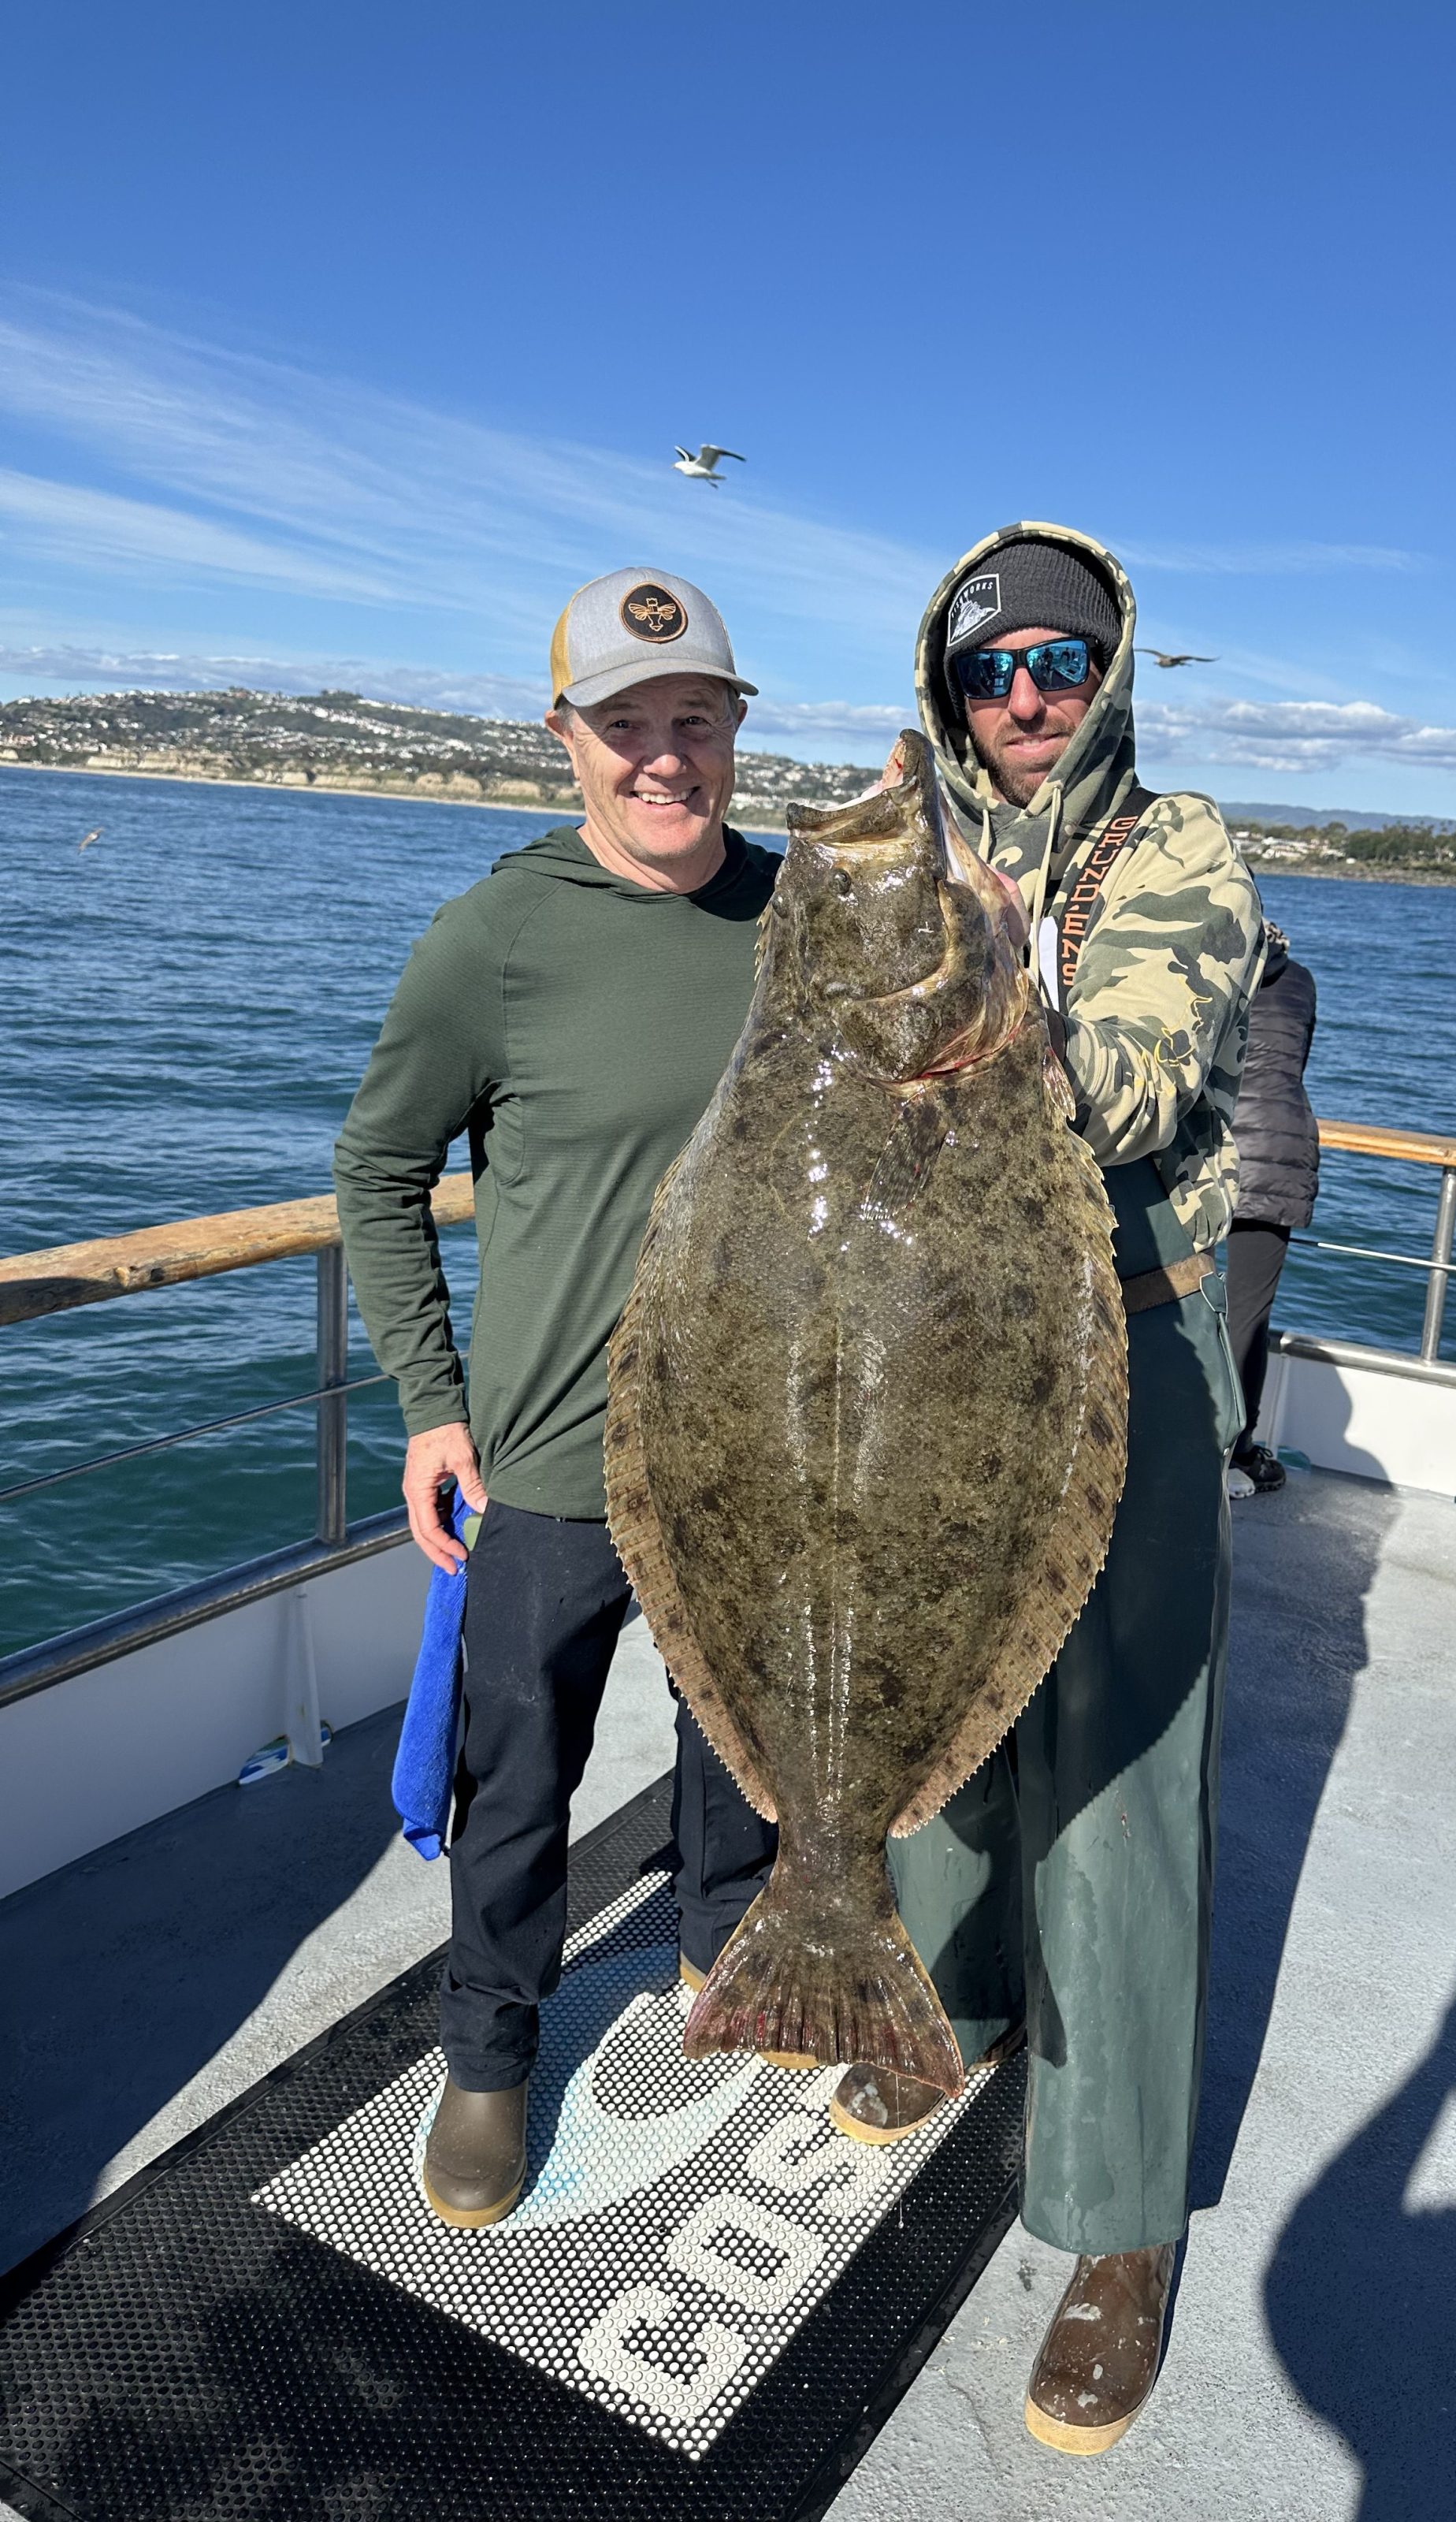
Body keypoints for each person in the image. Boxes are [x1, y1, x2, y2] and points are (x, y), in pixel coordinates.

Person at [840, 526, 1259, 2451]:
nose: (1024, 700)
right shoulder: (878, 840)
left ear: (1108, 681)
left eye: (1060, 667)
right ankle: (953, 1994)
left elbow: (1144, 1083)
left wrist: (962, 1018)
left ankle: (1109, 2226)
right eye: (992, 666)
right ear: (946, 679)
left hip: (1126, 1342)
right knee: (938, 1697)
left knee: (1109, 1765)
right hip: (919, 1340)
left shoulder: (1171, 854)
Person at [332, 567, 779, 2230]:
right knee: (514, 1776)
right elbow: (379, 1169)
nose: (663, 759)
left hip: (756, 1454)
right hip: (548, 1456)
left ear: (735, 731)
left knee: (745, 1743)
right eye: (626, 726)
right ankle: (490, 2055)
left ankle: (727, 1955)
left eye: (694, 721)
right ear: (565, 740)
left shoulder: (801, 921)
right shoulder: (497, 936)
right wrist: (430, 1404)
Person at [1225, 919, 1319, 1494]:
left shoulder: (1208, 969)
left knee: (1160, 1294)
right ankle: (1237, 1450)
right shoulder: (1301, 980)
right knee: (1248, 1315)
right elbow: (1294, 1060)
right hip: (1281, 1149)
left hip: (1214, 1150)